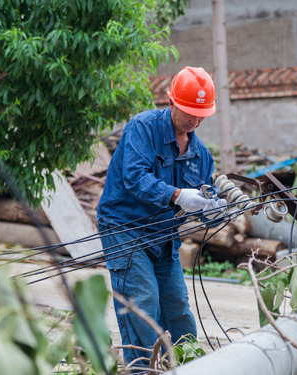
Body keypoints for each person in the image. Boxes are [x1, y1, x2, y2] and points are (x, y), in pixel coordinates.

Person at [96, 66, 225, 368]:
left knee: (177, 307)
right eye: (188, 111)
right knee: (143, 302)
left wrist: (214, 212)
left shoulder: (201, 155)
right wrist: (178, 195)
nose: (194, 120)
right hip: (124, 227)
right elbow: (135, 178)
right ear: (171, 103)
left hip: (164, 236)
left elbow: (202, 206)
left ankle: (187, 367)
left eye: (200, 114)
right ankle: (142, 371)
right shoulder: (143, 128)